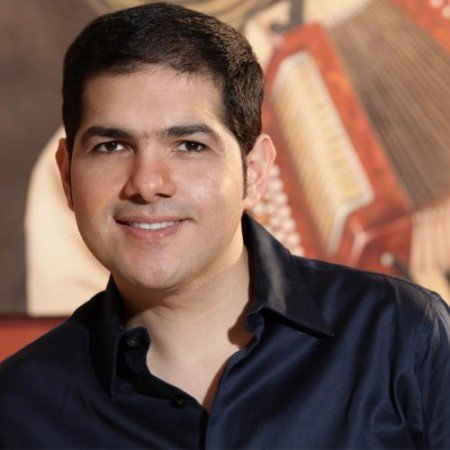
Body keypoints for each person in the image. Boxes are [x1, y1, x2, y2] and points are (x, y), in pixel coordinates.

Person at [1, 2, 449, 448]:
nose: (147, 184)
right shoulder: (17, 409)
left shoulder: (403, 336)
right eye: (112, 146)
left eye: (189, 145)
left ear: (254, 172)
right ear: (66, 174)